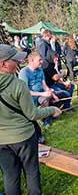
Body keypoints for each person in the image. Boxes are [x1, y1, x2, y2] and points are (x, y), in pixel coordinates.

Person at [0, 44, 61, 195]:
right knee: (31, 172)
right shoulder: (18, 85)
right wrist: (52, 110)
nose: (18, 63)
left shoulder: (19, 82)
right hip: (23, 139)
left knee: (10, 176)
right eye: (14, 60)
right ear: (2, 64)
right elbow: (32, 114)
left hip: (1, 141)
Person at [19, 51, 64, 126]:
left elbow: (44, 85)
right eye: (39, 60)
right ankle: (44, 120)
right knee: (45, 100)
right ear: (32, 60)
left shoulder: (40, 70)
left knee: (60, 95)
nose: (42, 62)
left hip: (40, 94)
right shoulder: (24, 72)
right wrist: (43, 94)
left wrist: (53, 95)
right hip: (29, 97)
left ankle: (51, 114)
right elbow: (25, 91)